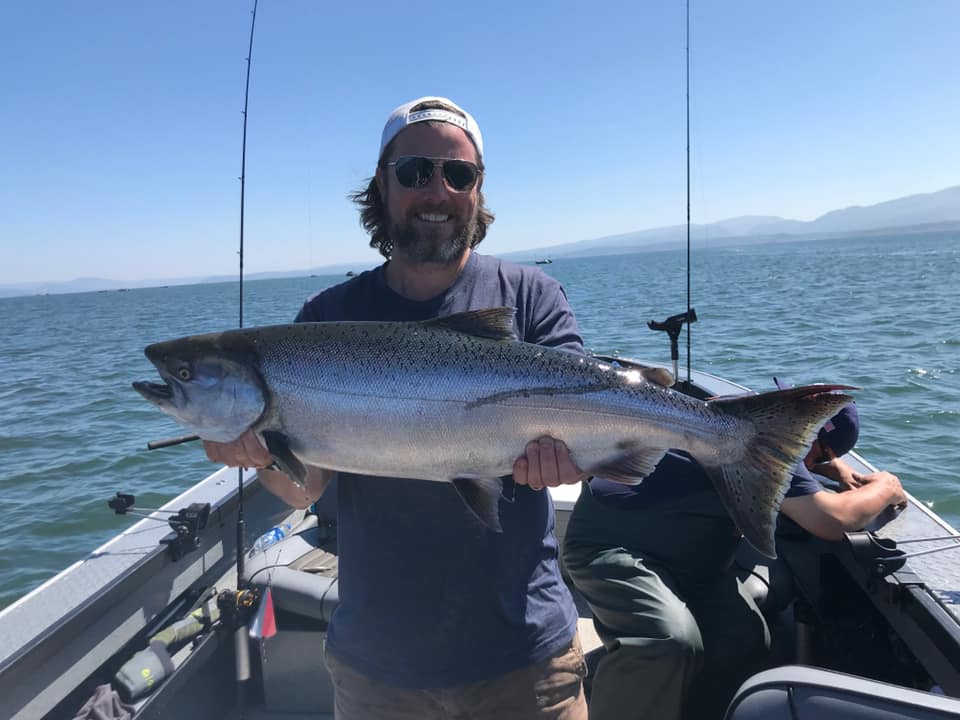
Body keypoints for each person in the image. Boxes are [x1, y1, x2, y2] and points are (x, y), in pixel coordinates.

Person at [203, 96, 589, 720]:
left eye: (457, 174)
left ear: (477, 188)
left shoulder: (529, 296)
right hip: (378, 673)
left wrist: (570, 460)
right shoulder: (325, 320)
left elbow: (593, 423)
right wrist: (255, 454)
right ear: (381, 186)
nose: (436, 190)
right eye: (414, 172)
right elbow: (305, 491)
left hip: (527, 659)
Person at [561, 385, 907, 720]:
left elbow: (801, 465)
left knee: (744, 637)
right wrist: (886, 486)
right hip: (610, 545)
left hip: (691, 560)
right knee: (666, 639)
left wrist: (829, 465)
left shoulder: (727, 411)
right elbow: (833, 519)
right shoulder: (756, 439)